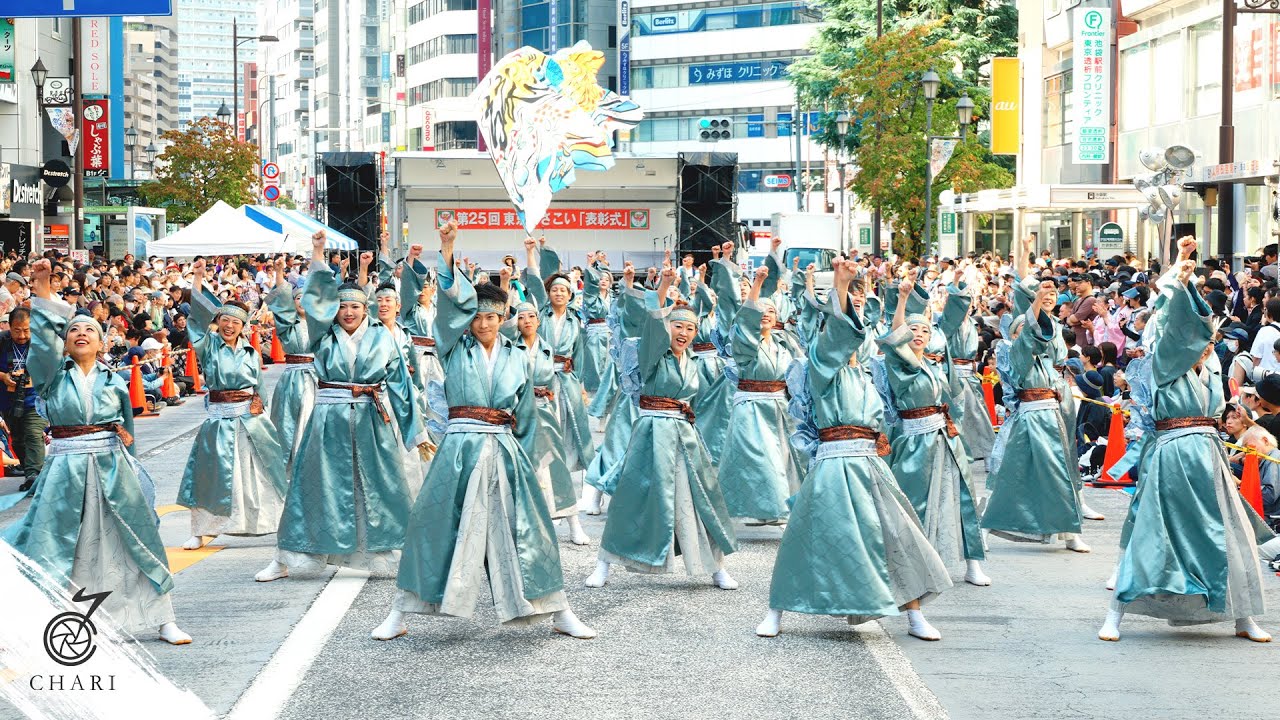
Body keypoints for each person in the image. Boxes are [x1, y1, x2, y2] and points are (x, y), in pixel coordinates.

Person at [373, 221, 595, 640]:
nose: (484, 324)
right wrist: (447, 246)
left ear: (505, 317)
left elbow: (526, 412)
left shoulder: (518, 356)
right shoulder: (452, 345)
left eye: (492, 317)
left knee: (531, 531)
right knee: (434, 526)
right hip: (459, 446)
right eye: (477, 317)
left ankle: (558, 609)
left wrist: (527, 459)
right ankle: (399, 612)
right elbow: (450, 308)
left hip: (506, 449)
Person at [756, 259, 950, 640]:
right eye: (843, 331)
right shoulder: (820, 369)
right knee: (806, 534)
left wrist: (895, 299)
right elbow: (832, 342)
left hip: (869, 462)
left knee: (897, 533)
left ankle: (914, 617)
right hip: (833, 463)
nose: (851, 337)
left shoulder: (868, 372)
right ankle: (776, 612)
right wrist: (841, 289)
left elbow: (894, 345)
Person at [2, 259, 190, 644]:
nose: (82, 333)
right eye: (74, 330)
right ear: (65, 344)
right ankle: (52, 621)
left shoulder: (115, 383)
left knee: (134, 539)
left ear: (103, 343)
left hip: (112, 466)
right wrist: (41, 289)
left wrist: (130, 459)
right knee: (57, 542)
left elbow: (129, 434)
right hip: (66, 468)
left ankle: (161, 617)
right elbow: (42, 345)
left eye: (91, 329)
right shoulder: (52, 377)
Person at [1099, 238, 1275, 643]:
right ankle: (1114, 614)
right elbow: (1168, 319)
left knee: (1233, 535)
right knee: (1150, 532)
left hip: (1207, 454)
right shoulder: (1163, 361)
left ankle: (1243, 616)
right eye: (1199, 338)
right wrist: (1180, 269)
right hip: (1171, 454)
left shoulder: (1212, 365)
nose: (1206, 345)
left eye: (1210, 340)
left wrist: (1185, 277)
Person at [255, 233, 427, 583]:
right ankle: (286, 555)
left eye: (355, 307)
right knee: (312, 484)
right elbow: (314, 302)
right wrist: (317, 254)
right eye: (343, 307)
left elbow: (400, 387)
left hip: (371, 419)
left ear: (368, 309)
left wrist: (416, 431)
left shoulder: (383, 338)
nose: (348, 313)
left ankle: (388, 553)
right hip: (328, 420)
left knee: (381, 486)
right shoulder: (323, 334)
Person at [584, 259, 738, 590]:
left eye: (690, 329)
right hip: (651, 433)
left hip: (684, 434)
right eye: (678, 327)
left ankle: (716, 567)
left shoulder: (693, 361)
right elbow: (652, 323)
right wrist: (665, 288)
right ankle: (603, 564)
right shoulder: (652, 354)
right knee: (632, 499)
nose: (683, 333)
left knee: (702, 498)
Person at [878, 269, 990, 586]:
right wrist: (901, 298)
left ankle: (973, 563)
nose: (918, 334)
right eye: (912, 330)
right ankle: (909, 562)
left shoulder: (934, 364)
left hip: (945, 435)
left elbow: (952, 394)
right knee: (912, 501)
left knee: (964, 496)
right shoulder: (900, 363)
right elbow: (895, 334)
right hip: (913, 438)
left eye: (924, 331)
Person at [176, 258, 289, 550]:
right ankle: (200, 531)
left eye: (235, 322)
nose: (229, 325)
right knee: (208, 474)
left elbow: (259, 385)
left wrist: (260, 405)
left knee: (261, 471)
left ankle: (270, 523)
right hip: (219, 418)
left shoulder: (251, 351)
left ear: (243, 326)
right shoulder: (208, 345)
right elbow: (196, 322)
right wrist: (198, 280)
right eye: (225, 320)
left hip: (250, 418)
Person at [980, 278, 1090, 552]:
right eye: (1024, 330)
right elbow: (1029, 337)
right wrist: (1038, 301)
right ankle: (984, 528)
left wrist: (1045, 307)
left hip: (1052, 416)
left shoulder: (1043, 359)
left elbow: (1048, 341)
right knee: (1013, 478)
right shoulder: (1012, 352)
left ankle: (1068, 531)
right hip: (1031, 420)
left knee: (1060, 475)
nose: (1032, 333)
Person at [504, 265, 591, 546]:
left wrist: (578, 387)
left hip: (544, 409)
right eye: (522, 316)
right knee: (522, 468)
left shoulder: (548, 348)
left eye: (531, 316)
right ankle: (522, 524)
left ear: (538, 321)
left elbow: (575, 361)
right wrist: (507, 282)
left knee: (556, 465)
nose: (527, 320)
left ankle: (573, 522)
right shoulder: (510, 347)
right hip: (518, 414)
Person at [715, 263, 803, 524]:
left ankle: (771, 509)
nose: (765, 313)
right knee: (762, 458)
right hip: (751, 407)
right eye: (761, 310)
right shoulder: (745, 344)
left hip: (779, 407)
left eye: (771, 310)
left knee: (783, 458)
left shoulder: (784, 345)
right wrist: (757, 283)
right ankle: (777, 509)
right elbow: (744, 322)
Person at [0, 307, 48, 492]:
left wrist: (33, 378)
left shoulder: (41, 344)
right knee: (18, 439)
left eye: (26, 330)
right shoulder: (2, 342)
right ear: (9, 327)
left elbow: (52, 368)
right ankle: (31, 473)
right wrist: (4, 376)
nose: (22, 335)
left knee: (33, 433)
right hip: (9, 401)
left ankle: (34, 475)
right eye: (17, 330)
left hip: (36, 399)